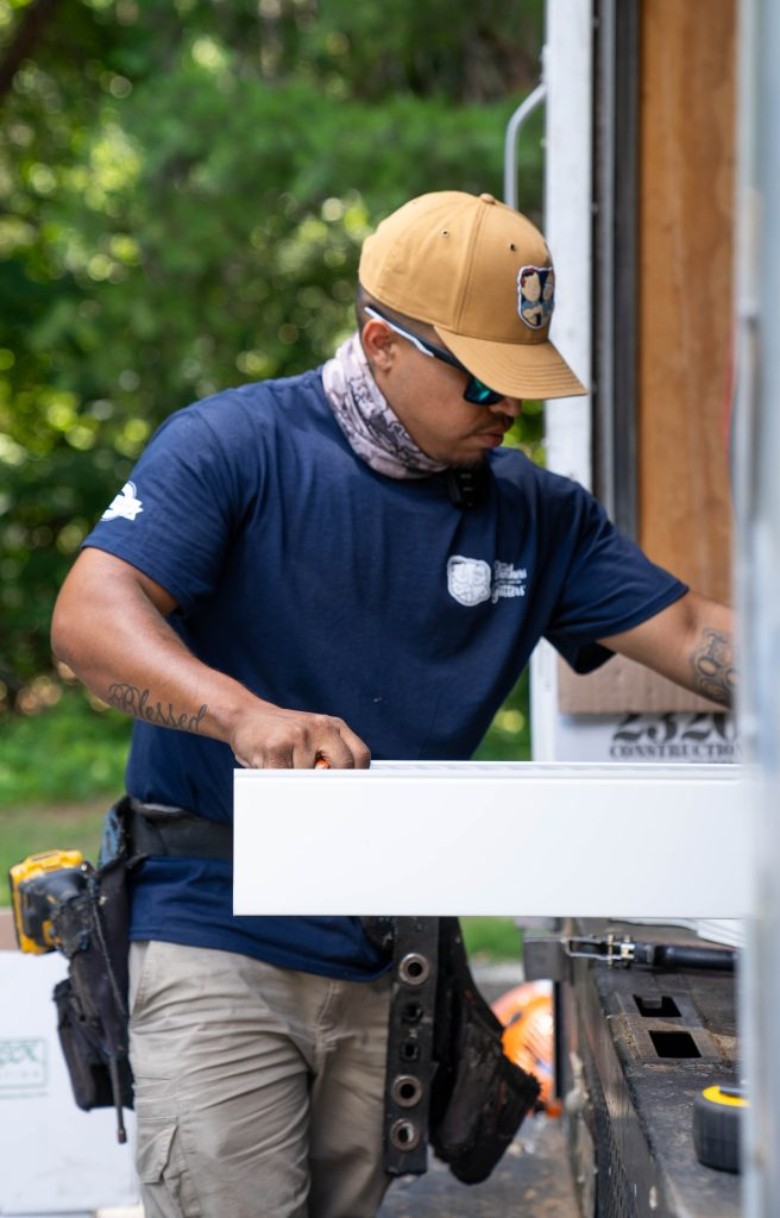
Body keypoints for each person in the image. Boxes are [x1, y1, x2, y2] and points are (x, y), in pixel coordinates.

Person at [51, 190, 735, 1218]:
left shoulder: (537, 515)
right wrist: (242, 714)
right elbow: (89, 621)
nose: (508, 409)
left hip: (387, 956)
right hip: (217, 938)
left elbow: (692, 638)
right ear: (382, 344)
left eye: (524, 385)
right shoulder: (235, 448)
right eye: (483, 382)